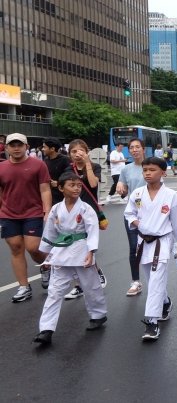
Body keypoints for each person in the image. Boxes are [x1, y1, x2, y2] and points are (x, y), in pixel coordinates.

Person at [33, 171, 107, 344]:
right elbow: (50, 233)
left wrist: (91, 252)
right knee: (54, 292)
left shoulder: (86, 208)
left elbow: (92, 231)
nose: (76, 188)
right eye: (72, 185)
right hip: (60, 253)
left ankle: (98, 315)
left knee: (91, 287)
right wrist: (46, 257)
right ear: (60, 188)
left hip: (82, 251)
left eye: (79, 185)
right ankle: (46, 329)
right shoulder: (55, 209)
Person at [124, 157, 177, 341]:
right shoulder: (137, 194)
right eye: (145, 170)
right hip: (143, 242)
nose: (148, 173)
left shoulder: (171, 196)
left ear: (163, 173)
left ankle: (152, 322)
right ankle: (166, 302)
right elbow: (129, 213)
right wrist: (136, 222)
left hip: (162, 242)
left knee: (156, 280)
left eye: (152, 170)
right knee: (152, 280)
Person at [0, 133, 52, 302]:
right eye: (12, 145)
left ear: (26, 146)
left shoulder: (38, 165)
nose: (16, 148)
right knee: (15, 248)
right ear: (6, 148)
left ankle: (46, 266)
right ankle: (23, 287)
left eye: (19, 145)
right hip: (9, 214)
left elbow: (45, 189)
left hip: (33, 212)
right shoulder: (2, 168)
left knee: (33, 248)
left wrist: (47, 211)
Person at [64, 139, 107, 299]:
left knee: (86, 246)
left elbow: (93, 184)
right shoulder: (68, 168)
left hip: (90, 212)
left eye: (80, 151)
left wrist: (87, 163)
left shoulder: (95, 166)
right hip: (72, 212)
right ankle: (78, 285)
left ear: (86, 151)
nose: (77, 154)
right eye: (73, 152)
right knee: (73, 249)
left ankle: (95, 272)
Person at [116, 139, 147, 296]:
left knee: (152, 249)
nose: (134, 150)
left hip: (150, 214)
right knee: (134, 248)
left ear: (143, 149)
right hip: (132, 214)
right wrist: (121, 189)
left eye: (137, 147)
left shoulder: (151, 166)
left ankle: (156, 280)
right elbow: (123, 190)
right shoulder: (125, 170)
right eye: (131, 148)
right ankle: (136, 281)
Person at [42, 139, 71, 205]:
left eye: (44, 147)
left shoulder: (65, 160)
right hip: (48, 193)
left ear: (52, 149)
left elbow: (70, 176)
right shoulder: (46, 160)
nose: (43, 149)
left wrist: (58, 183)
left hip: (61, 196)